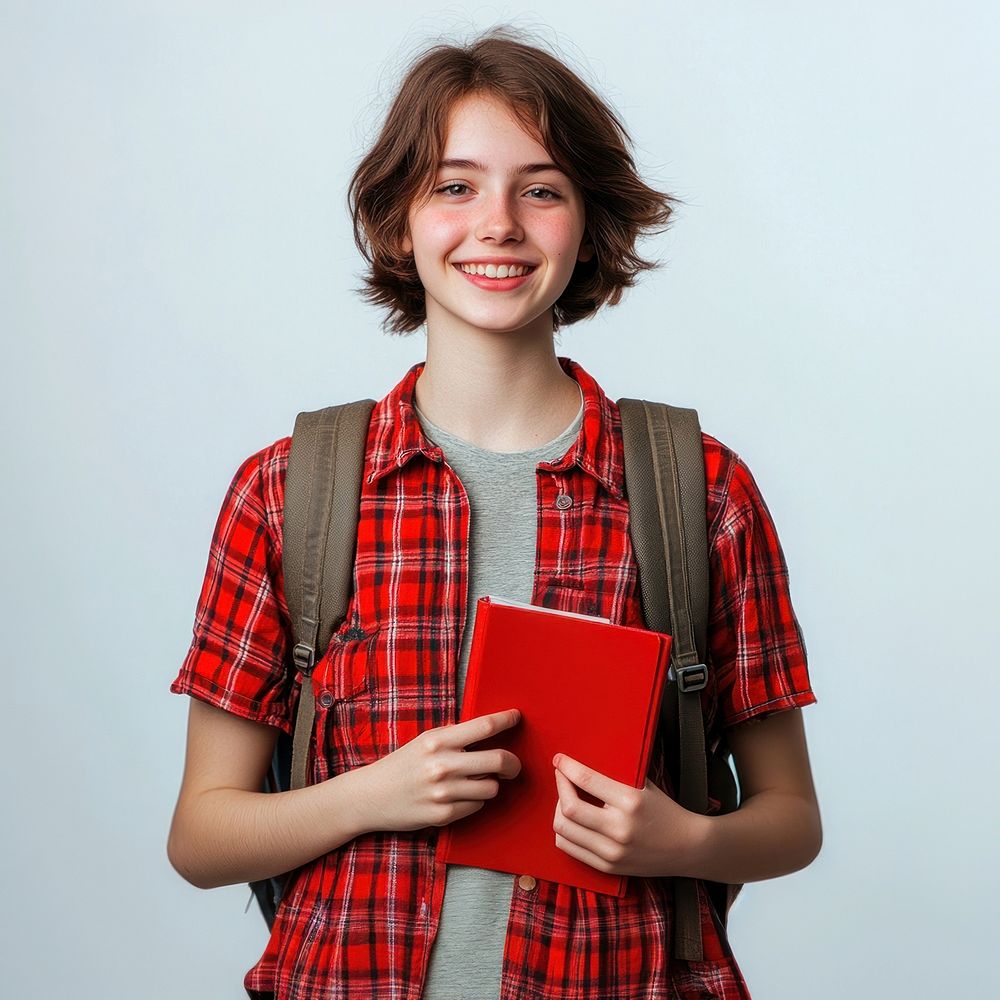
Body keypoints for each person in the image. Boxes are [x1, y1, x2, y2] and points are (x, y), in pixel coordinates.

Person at [167, 25, 821, 1000]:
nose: (499, 222)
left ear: (587, 222)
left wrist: (682, 838)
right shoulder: (288, 491)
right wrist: (375, 793)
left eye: (541, 188)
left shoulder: (698, 490)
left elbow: (790, 818)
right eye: (454, 185)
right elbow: (202, 838)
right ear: (399, 221)